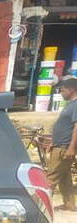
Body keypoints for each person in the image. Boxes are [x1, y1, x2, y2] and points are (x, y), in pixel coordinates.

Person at [48, 77, 77, 211]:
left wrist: (71, 148)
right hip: (59, 146)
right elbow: (63, 126)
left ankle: (41, 206)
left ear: (71, 90)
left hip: (64, 148)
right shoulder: (70, 105)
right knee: (64, 177)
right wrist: (53, 142)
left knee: (50, 179)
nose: (61, 92)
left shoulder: (76, 105)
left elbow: (76, 127)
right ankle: (69, 204)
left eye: (63, 90)